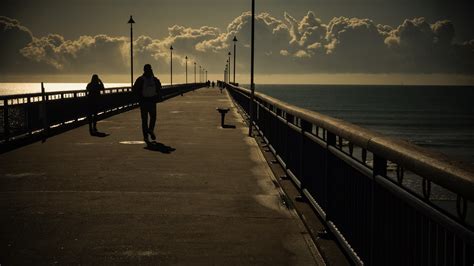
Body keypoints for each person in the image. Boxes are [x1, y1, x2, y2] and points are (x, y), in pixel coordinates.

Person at [133, 64, 162, 143]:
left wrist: (138, 99)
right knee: (153, 117)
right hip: (152, 101)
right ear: (151, 69)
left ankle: (145, 137)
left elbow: (134, 89)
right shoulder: (154, 79)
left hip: (143, 102)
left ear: (143, 70)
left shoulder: (140, 79)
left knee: (144, 120)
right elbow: (159, 87)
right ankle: (151, 130)